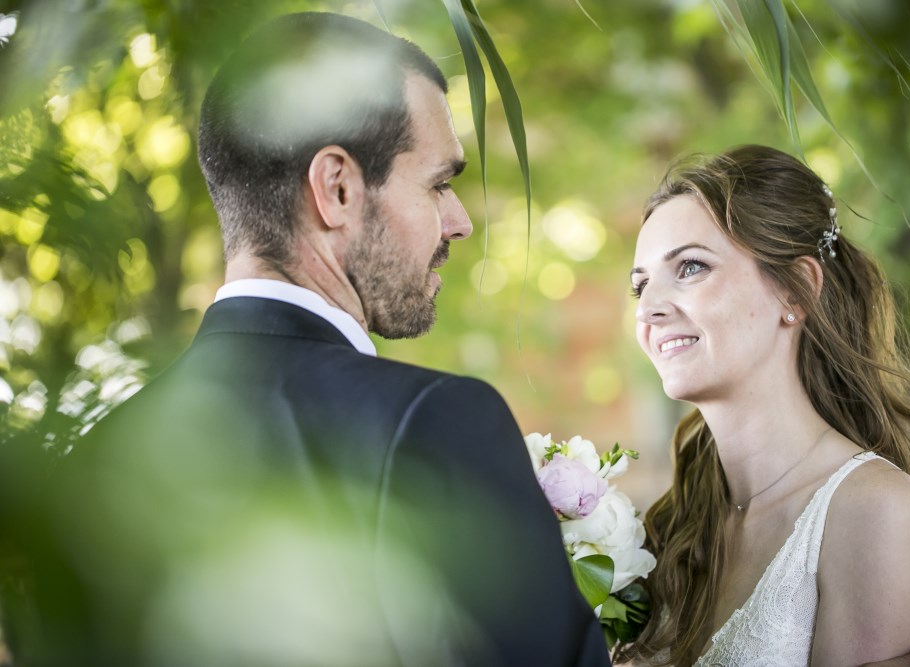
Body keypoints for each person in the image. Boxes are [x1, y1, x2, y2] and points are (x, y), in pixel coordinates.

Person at [20, 12, 609, 667]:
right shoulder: (433, 424)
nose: (459, 221)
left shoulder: (80, 477)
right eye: (439, 183)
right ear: (336, 189)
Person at [619, 145, 910, 666]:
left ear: (796, 291)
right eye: (640, 285)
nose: (650, 309)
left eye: (690, 267)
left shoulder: (870, 508)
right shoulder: (669, 526)